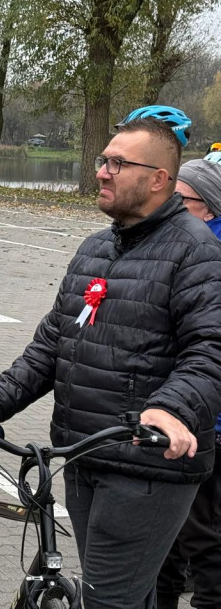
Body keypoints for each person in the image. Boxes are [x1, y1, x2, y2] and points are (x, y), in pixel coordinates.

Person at [0, 107, 221, 609]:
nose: (102, 171)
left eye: (117, 163)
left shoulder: (196, 252)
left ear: (159, 180)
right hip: (83, 454)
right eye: (102, 160)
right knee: (127, 596)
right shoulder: (96, 247)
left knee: (110, 601)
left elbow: (211, 349)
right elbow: (52, 344)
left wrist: (171, 408)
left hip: (146, 467)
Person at [156, 156, 221, 609]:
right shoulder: (175, 245)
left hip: (204, 423)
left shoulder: (207, 258)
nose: (171, 206)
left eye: (181, 199)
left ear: (209, 210)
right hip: (172, 416)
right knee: (166, 540)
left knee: (202, 538)